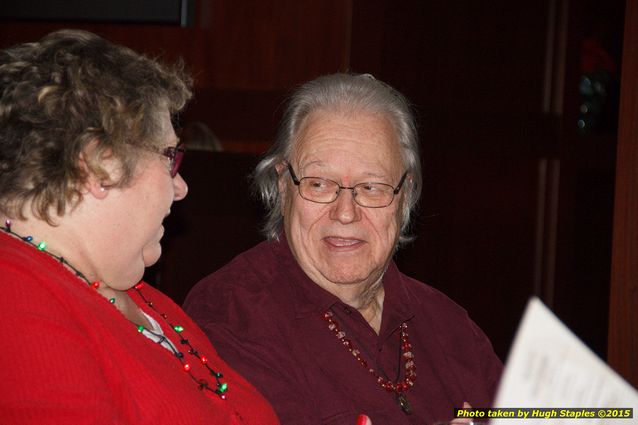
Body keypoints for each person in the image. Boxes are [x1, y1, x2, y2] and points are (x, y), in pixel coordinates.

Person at [184, 73, 503, 424]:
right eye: (318, 184)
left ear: (406, 195)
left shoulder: (449, 325)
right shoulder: (231, 315)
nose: (346, 212)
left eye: (371, 187)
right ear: (282, 186)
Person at [0, 29, 279, 424]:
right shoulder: (13, 298)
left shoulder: (138, 294)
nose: (180, 187)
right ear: (100, 166)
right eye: (171, 157)